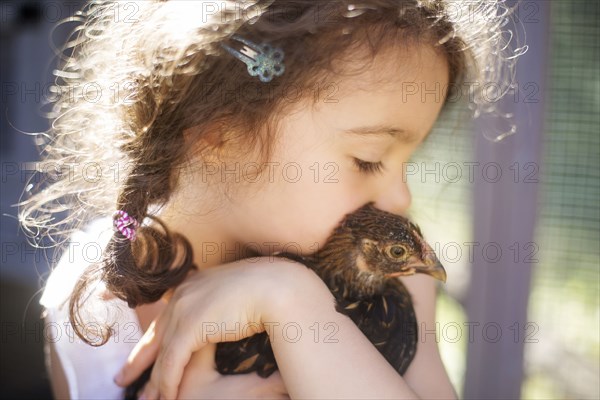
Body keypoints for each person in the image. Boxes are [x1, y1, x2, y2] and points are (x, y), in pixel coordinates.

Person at [22, 0, 518, 398]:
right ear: (218, 132)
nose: (401, 196)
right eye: (368, 159)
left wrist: (293, 305)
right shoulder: (93, 308)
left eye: (409, 160)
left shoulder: (393, 289)